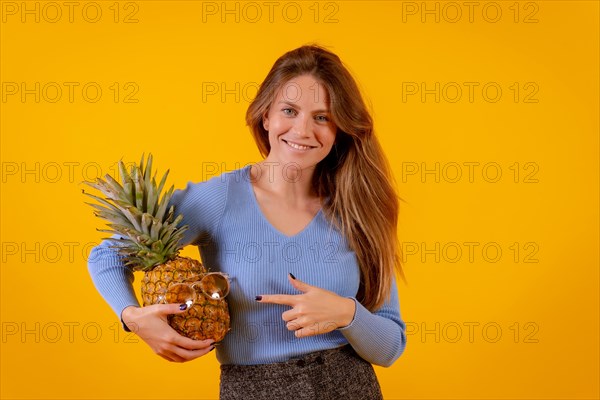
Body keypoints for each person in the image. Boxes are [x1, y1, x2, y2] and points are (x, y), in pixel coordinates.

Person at [87, 44, 407, 400]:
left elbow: (390, 346)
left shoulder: (357, 209)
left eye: (322, 117)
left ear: (340, 128)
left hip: (351, 388)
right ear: (266, 115)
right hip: (254, 389)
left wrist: (347, 313)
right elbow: (107, 255)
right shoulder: (220, 199)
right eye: (290, 110)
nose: (303, 130)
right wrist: (132, 316)